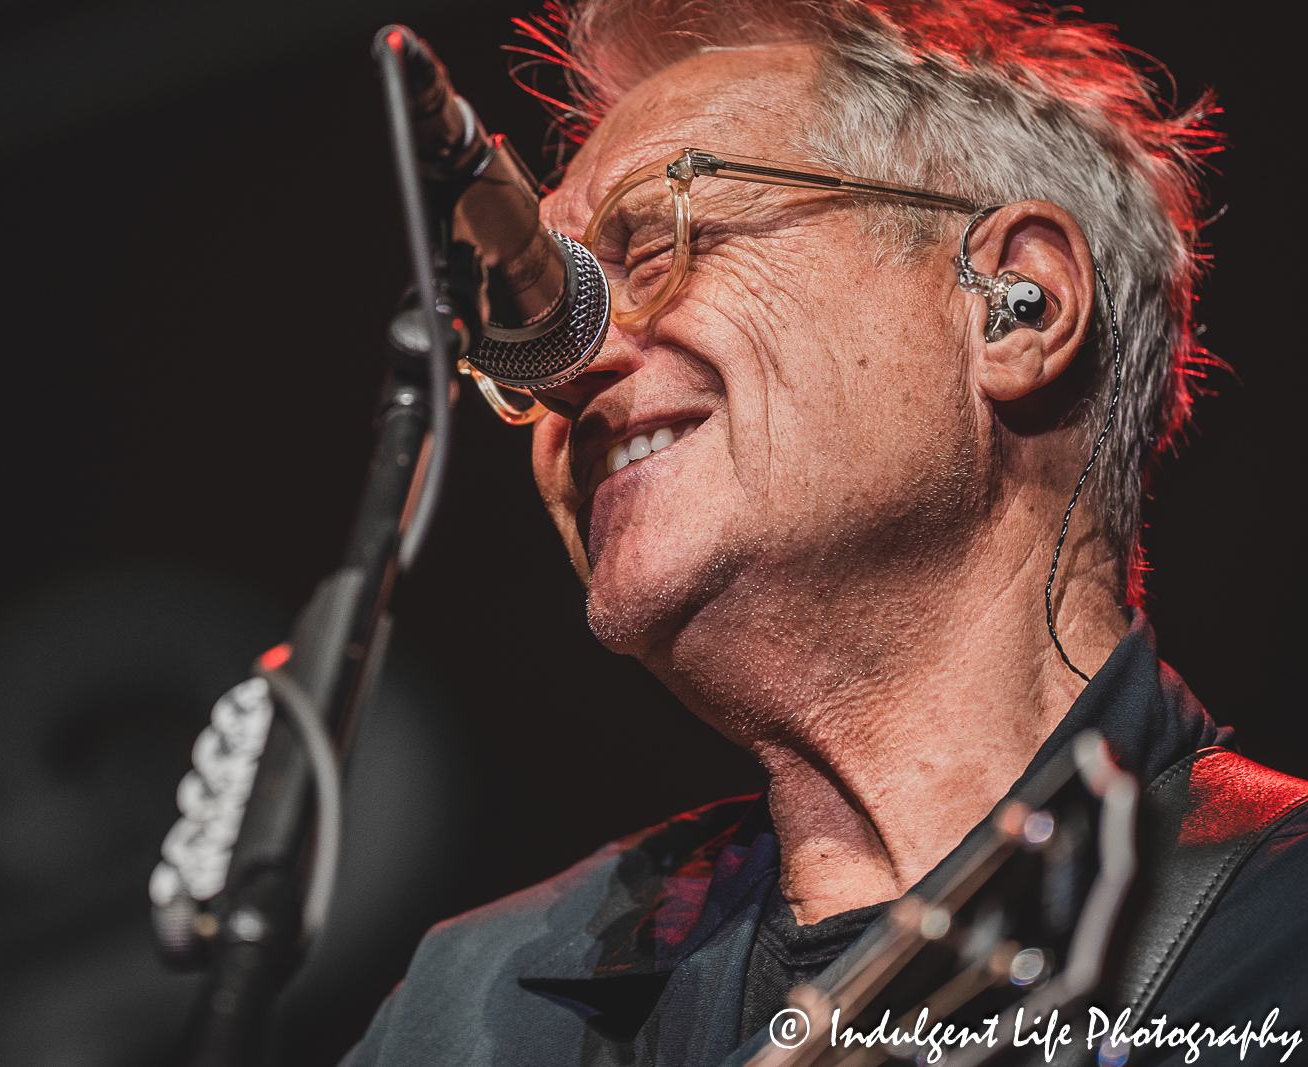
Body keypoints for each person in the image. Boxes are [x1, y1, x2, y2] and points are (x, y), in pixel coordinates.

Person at [344, 1, 1307, 1063]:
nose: (568, 368)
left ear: (1015, 302)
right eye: (532, 320)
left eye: (655, 240)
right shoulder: (476, 1010)